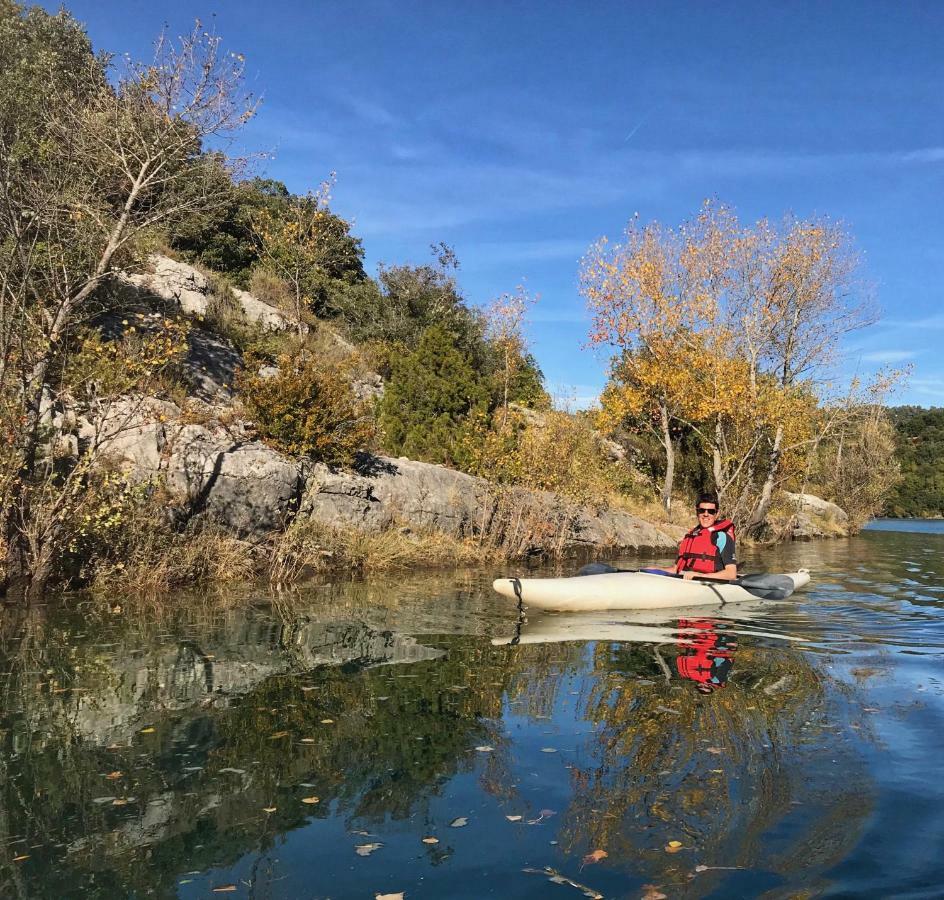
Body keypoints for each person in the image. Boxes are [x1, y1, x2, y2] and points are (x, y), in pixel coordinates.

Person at [652, 492, 737, 581]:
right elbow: (675, 569)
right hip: (685, 582)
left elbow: (731, 574)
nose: (706, 514)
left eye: (711, 511)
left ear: (717, 514)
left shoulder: (722, 538)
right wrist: (656, 569)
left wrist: (699, 576)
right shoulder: (690, 537)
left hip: (708, 584)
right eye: (702, 510)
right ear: (697, 512)